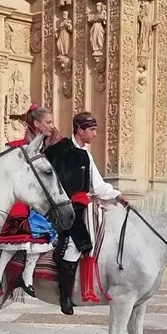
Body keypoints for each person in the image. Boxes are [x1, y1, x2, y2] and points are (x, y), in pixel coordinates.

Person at [44, 111, 128, 315]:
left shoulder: (86, 155)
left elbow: (97, 185)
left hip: (81, 207)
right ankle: (64, 295)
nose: (95, 134)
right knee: (75, 244)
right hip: (62, 207)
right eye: (92, 129)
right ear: (79, 130)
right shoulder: (60, 150)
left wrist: (117, 196)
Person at [0, 104, 63, 297]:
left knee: (42, 231)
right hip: (20, 199)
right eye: (48, 122)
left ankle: (27, 275)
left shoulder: (52, 148)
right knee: (19, 230)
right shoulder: (15, 147)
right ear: (36, 123)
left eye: (52, 122)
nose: (52, 126)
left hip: (39, 201)